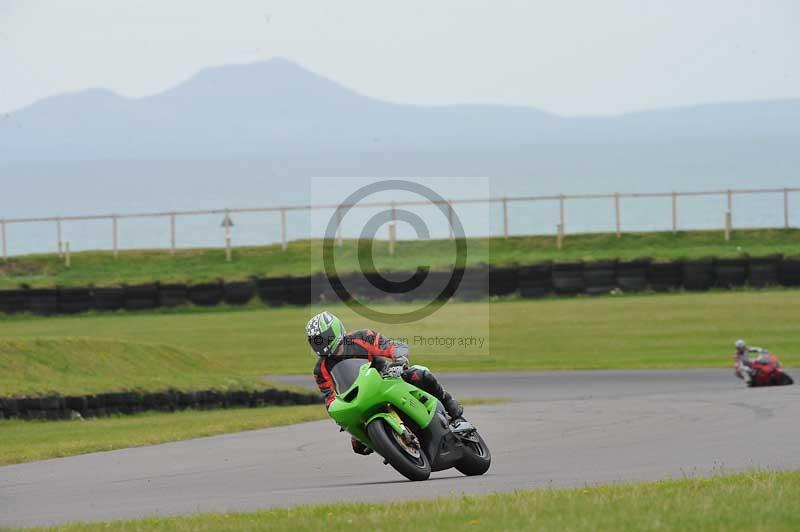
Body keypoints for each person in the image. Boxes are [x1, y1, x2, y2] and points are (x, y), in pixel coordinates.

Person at [306, 310, 464, 455]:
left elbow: (389, 345)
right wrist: (341, 416)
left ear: (334, 330)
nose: (320, 344)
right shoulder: (320, 369)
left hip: (386, 377)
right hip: (358, 398)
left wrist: (398, 358)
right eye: (316, 342)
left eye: (323, 339)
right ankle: (392, 447)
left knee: (420, 374)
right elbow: (330, 398)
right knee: (358, 445)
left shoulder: (361, 337)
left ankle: (452, 409)